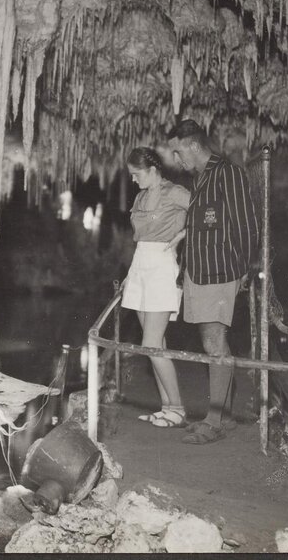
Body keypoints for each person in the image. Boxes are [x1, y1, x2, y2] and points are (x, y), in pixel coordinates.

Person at [167, 119, 258, 445]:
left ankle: (214, 422)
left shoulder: (227, 173)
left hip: (219, 272)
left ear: (193, 145)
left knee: (214, 342)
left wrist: (244, 269)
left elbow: (246, 225)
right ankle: (224, 415)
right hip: (200, 272)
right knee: (213, 342)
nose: (177, 159)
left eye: (178, 151)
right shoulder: (201, 178)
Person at [120, 146, 191, 428]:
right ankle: (166, 408)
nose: (133, 179)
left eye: (136, 174)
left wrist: (184, 233)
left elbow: (210, 212)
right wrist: (131, 274)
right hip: (140, 266)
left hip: (161, 266)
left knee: (150, 344)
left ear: (152, 170)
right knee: (155, 345)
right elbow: (140, 238)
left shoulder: (175, 192)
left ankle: (179, 409)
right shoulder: (140, 196)